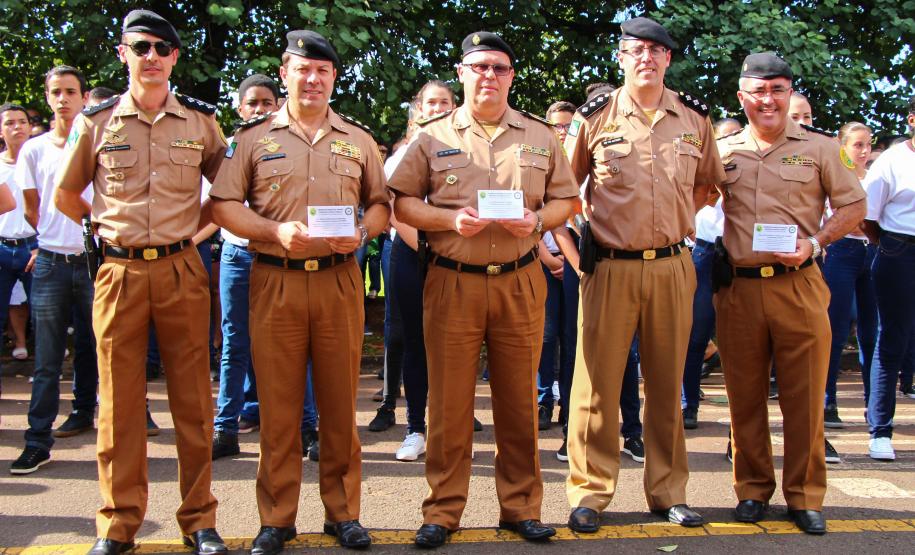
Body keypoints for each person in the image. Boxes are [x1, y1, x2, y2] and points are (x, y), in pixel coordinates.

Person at [389, 31, 578, 548]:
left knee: (519, 402)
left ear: (511, 75)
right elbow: (402, 203)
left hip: (519, 280)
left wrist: (537, 220)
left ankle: (520, 508)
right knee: (449, 406)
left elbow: (567, 201)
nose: (488, 76)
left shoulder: (540, 136)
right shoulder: (429, 137)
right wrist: (449, 220)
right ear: (462, 72)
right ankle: (443, 511)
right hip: (453, 282)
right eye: (478, 67)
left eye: (498, 67)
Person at [54, 10, 229, 555]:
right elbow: (65, 194)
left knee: (193, 403)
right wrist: (106, 230)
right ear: (123, 54)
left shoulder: (201, 122)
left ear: (175, 57)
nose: (151, 56)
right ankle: (118, 524)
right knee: (119, 406)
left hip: (182, 269)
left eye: (161, 47)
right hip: (119, 272)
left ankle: (199, 520)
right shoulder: (97, 121)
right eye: (141, 47)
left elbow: (224, 198)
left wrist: (193, 237)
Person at [211, 30, 390, 552]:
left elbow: (381, 204)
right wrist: (271, 231)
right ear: (285, 73)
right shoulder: (251, 138)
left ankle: (343, 514)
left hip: (338, 278)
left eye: (323, 72)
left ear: (333, 78)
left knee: (338, 405)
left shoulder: (357, 140)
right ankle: (277, 517)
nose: (312, 79)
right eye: (302, 70)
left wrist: (360, 232)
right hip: (275, 279)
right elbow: (223, 205)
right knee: (280, 406)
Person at [562, 17, 723, 533]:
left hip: (673, 266)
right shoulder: (594, 118)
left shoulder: (694, 119)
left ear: (669, 59)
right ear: (621, 58)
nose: (646, 59)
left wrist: (679, 227)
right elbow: (565, 192)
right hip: (610, 266)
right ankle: (590, 493)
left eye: (656, 51)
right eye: (636, 51)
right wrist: (584, 238)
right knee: (596, 387)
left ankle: (668, 491)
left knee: (666, 383)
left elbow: (707, 186)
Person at [715, 52, 865, 534]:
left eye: (777, 89)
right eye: (758, 91)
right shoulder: (724, 153)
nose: (768, 100)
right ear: (742, 97)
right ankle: (753, 489)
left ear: (789, 94)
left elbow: (854, 205)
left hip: (798, 284)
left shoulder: (822, 149)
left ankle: (804, 495)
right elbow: (688, 197)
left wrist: (816, 243)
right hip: (738, 288)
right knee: (743, 396)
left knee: (803, 397)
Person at [10, 66, 101, 476]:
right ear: (47, 98)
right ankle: (36, 442)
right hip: (49, 262)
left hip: (94, 259)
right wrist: (49, 236)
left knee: (100, 348)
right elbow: (32, 209)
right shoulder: (34, 150)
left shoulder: (99, 141)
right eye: (55, 92)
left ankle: (96, 418)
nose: (63, 99)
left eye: (70, 92)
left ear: (84, 97)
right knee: (47, 358)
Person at [373, 80, 456, 461]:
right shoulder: (401, 154)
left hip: (453, 258)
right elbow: (395, 210)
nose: (438, 107)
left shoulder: (465, 151)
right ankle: (415, 428)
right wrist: (425, 248)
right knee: (414, 342)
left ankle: (450, 424)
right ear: (418, 109)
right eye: (431, 102)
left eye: (445, 102)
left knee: (456, 342)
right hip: (412, 255)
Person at [212, 73, 278, 458]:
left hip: (276, 258)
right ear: (240, 108)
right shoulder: (230, 149)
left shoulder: (289, 146)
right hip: (237, 257)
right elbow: (216, 205)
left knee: (290, 346)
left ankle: (306, 427)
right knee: (234, 344)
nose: (259, 109)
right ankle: (225, 428)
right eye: (251, 103)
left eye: (266, 103)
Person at [861, 95, 915, 461]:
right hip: (899, 249)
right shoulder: (893, 161)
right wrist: (891, 247)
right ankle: (880, 430)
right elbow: (868, 218)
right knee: (892, 337)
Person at [681, 117, 742, 431]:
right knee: (696, 335)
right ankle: (687, 403)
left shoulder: (745, 166)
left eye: (737, 135)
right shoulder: (701, 168)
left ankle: (739, 421)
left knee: (741, 342)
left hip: (740, 253)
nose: (731, 142)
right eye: (725, 138)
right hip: (705, 252)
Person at [822, 122, 877, 431]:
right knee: (835, 329)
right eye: (857, 145)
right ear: (842, 147)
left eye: (868, 145)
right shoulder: (834, 179)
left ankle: (875, 404)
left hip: (872, 253)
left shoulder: (875, 179)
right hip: (840, 252)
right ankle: (828, 401)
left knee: (872, 333)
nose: (864, 151)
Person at [0, 103, 37, 397]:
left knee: (47, 317)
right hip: (2, 247)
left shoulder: (41, 159)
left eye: (22, 121)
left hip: (35, 246)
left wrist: (43, 245)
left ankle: (44, 376)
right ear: (2, 130)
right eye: (10, 122)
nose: (17, 127)